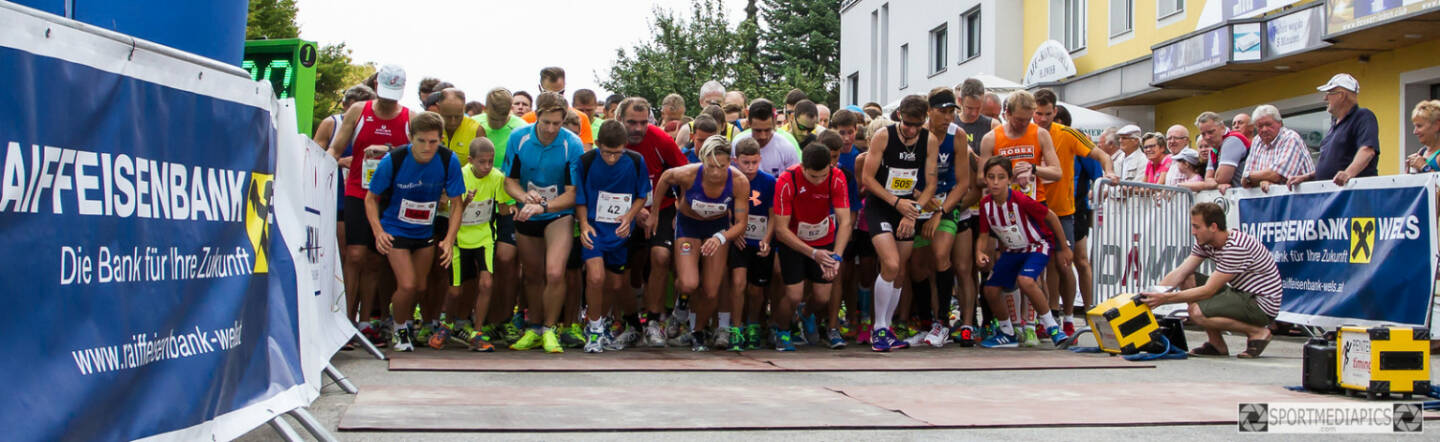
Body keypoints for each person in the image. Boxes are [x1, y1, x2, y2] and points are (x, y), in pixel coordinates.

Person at [363, 111, 466, 352]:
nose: (427, 147)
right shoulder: (394, 159)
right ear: (411, 137)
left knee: (420, 287)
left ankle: (401, 319)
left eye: (433, 142)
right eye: (421, 141)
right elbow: (370, 199)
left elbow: (457, 204)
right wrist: (379, 232)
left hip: (424, 233)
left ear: (441, 139)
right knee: (408, 285)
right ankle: (399, 329)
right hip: (395, 230)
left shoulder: (448, 160)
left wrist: (449, 240)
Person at [327, 65, 411, 348]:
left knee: (377, 259)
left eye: (393, 96)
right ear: (377, 85)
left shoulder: (410, 117)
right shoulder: (359, 111)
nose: (387, 101)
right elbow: (335, 149)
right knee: (354, 254)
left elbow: (414, 156)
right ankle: (345, 319)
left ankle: (366, 321)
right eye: (384, 93)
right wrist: (331, 164)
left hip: (389, 196)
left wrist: (388, 153)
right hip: (357, 190)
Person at [648, 136, 750, 351]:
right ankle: (681, 305)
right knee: (688, 283)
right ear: (702, 160)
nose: (715, 172)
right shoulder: (689, 173)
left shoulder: (739, 181)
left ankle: (698, 331)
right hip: (689, 226)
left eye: (721, 167)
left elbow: (741, 224)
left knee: (712, 290)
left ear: (730, 162)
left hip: (717, 228)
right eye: (711, 166)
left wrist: (720, 237)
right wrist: (655, 213)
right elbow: (666, 177)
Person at [1143, 202, 1281, 358]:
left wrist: (1165, 298)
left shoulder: (1236, 247)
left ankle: (1258, 332)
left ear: (1213, 227)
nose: (1193, 232)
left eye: (1197, 227)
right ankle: (1216, 344)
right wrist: (1152, 296)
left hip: (1261, 305)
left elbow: (1209, 290)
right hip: (1241, 294)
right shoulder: (1206, 242)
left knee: (1196, 312)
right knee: (1188, 279)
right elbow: (1181, 272)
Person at [502, 91, 584, 354]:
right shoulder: (519, 138)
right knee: (533, 274)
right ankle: (534, 327)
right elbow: (509, 181)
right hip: (528, 211)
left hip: (557, 213)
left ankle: (551, 329)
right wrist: (525, 198)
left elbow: (572, 193)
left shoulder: (572, 144)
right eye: (546, 122)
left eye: (556, 124)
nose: (550, 129)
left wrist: (544, 206)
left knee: (555, 272)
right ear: (536, 117)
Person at [1032, 89, 1115, 336]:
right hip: (1034, 209)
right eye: (1038, 113)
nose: (1042, 118)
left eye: (1047, 114)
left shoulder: (1067, 134)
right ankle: (1048, 316)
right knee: (1042, 267)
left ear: (1055, 112)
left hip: (1064, 210)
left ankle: (1068, 316)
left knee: (1064, 263)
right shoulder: (1026, 133)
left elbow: (1100, 155)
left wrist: (1109, 171)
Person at [860, 95, 938, 352]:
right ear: (899, 117)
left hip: (907, 210)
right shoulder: (884, 136)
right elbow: (868, 179)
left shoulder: (929, 141)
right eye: (907, 124)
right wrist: (896, 203)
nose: (911, 130)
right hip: (882, 205)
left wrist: (912, 211)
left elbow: (930, 184)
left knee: (900, 269)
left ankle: (886, 326)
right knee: (890, 263)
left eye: (917, 125)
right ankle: (878, 328)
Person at [616, 97, 691, 348]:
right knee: (618, 270)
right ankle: (631, 323)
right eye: (631, 123)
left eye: (642, 123)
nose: (637, 129)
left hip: (662, 208)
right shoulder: (612, 141)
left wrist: (680, 209)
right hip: (622, 210)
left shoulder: (662, 141)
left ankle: (653, 322)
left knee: (660, 256)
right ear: (619, 121)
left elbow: (687, 175)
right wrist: (632, 212)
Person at [974, 156, 1071, 348]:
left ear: (1009, 180)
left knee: (1026, 280)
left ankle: (1052, 327)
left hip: (1037, 246)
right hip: (1013, 250)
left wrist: (1064, 247)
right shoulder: (985, 205)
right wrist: (979, 252)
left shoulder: (1020, 200)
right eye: (991, 177)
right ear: (985, 179)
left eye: (1000, 177)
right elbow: (984, 234)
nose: (995, 182)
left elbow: (1051, 216)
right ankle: (1007, 332)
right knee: (990, 289)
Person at [576, 121, 651, 353]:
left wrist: (629, 217)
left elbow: (641, 195)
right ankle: (595, 330)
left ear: (624, 146)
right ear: (598, 145)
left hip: (620, 232)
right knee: (595, 277)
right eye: (607, 153)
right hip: (594, 229)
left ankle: (603, 322)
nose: (611, 158)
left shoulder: (636, 161)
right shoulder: (586, 161)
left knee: (616, 283)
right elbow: (579, 197)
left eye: (617, 153)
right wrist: (584, 223)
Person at [430, 138, 511, 352]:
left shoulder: (496, 177)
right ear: (470, 160)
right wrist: (466, 202)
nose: (486, 167)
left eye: (490, 162)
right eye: (482, 162)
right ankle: (447, 324)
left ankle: (477, 331)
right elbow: (447, 207)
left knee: (486, 283)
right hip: (458, 238)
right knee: (455, 291)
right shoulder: (460, 176)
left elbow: (503, 205)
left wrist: (517, 209)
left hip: (484, 237)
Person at [772, 142, 852, 351]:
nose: (819, 180)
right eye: (813, 176)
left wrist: (837, 256)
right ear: (802, 167)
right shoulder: (787, 180)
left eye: (823, 175)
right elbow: (781, 229)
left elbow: (845, 221)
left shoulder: (836, 177)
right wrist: (812, 253)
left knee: (822, 297)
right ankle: (782, 330)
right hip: (793, 241)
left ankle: (805, 314)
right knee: (794, 295)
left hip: (824, 239)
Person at [313, 84, 375, 348]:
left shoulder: (372, 125)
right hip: (337, 198)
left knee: (368, 260)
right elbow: (314, 155)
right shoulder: (332, 123)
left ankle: (363, 318)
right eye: (356, 108)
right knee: (345, 254)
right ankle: (341, 316)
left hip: (368, 197)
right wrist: (341, 162)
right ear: (347, 106)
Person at [472, 88, 530, 344]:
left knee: (507, 260)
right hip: (479, 203)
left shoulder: (519, 129)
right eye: (491, 118)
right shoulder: (477, 125)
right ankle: (475, 318)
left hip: (508, 203)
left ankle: (504, 319)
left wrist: (516, 199)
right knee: (481, 262)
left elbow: (520, 170)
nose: (495, 123)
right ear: (485, 109)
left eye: (500, 119)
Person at [727, 138, 776, 351]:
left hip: (760, 241)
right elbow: (724, 209)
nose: (750, 167)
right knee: (738, 284)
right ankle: (735, 328)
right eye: (745, 162)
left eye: (754, 162)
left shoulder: (769, 182)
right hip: (738, 240)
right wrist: (733, 231)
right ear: (735, 160)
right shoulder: (729, 179)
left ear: (760, 160)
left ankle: (753, 324)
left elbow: (774, 215)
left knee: (756, 290)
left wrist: (767, 239)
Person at [1291, 74, 1379, 186]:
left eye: (1329, 93)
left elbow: (1367, 151)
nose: (1325, 98)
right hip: (1333, 194)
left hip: (1352, 195)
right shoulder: (1335, 125)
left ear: (1341, 95)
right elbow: (1332, 163)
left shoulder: (1362, 116)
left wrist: (1348, 174)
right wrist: (1308, 177)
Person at [1243, 105, 1315, 192]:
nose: (1264, 129)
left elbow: (1276, 175)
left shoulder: (1290, 138)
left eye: (1268, 124)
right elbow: (1245, 182)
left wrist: (1249, 176)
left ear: (1280, 123)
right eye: (1260, 126)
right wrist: (1262, 180)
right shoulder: (1257, 141)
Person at [734, 99, 801, 177]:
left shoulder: (787, 148)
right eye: (758, 131)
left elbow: (795, 180)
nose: (763, 136)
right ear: (749, 124)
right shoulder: (737, 144)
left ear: (774, 123)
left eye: (767, 130)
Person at [1195, 111, 1250, 193]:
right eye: (1203, 134)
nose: (1207, 137)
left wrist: (1214, 183)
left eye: (1211, 132)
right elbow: (1208, 179)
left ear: (1222, 128)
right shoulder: (1214, 149)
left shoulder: (1233, 140)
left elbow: (1222, 178)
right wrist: (1216, 184)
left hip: (1250, 195)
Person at [1406, 101, 1440, 173]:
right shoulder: (1422, 152)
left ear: (1437, 125)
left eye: (1419, 126)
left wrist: (1424, 167)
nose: (1415, 132)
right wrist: (1408, 171)